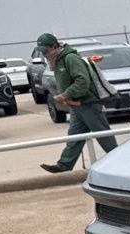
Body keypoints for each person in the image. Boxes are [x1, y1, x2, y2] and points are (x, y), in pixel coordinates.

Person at [36, 33, 118, 173]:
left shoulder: (70, 58)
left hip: (88, 103)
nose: (44, 54)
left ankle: (121, 160)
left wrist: (66, 94)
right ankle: (64, 165)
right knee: (74, 137)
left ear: (55, 46)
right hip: (76, 105)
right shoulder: (59, 60)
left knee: (103, 135)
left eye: (45, 51)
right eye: (42, 51)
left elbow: (82, 81)